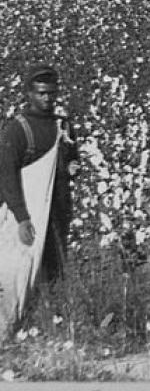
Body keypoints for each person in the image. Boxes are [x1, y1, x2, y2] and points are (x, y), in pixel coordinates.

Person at [0, 65, 78, 283]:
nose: (47, 98)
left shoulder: (63, 126)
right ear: (29, 94)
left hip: (57, 210)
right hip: (27, 211)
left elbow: (72, 157)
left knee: (54, 270)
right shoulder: (17, 130)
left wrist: (72, 167)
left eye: (51, 93)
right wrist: (22, 217)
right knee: (20, 270)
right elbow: (7, 175)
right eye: (41, 93)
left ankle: (53, 303)